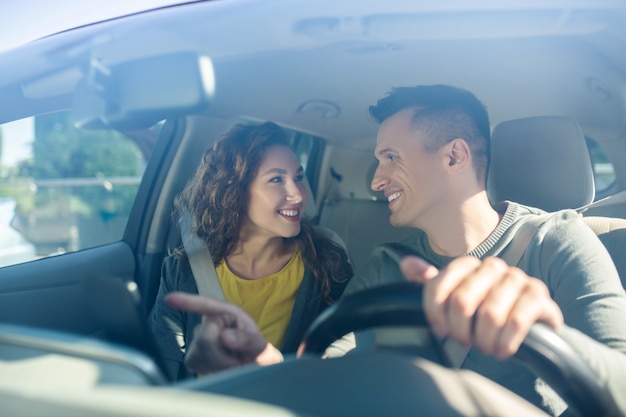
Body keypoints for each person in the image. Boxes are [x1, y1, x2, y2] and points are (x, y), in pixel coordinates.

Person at [165, 85, 626, 416]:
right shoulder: (388, 264)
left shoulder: (559, 241)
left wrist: (544, 329)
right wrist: (265, 363)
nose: (375, 179)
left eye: (391, 157)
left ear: (454, 157)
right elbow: (332, 368)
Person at [149, 121, 353, 380]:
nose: (298, 195)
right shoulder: (183, 270)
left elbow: (344, 354)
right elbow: (164, 367)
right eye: (276, 179)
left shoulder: (326, 261)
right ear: (235, 191)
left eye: (299, 178)